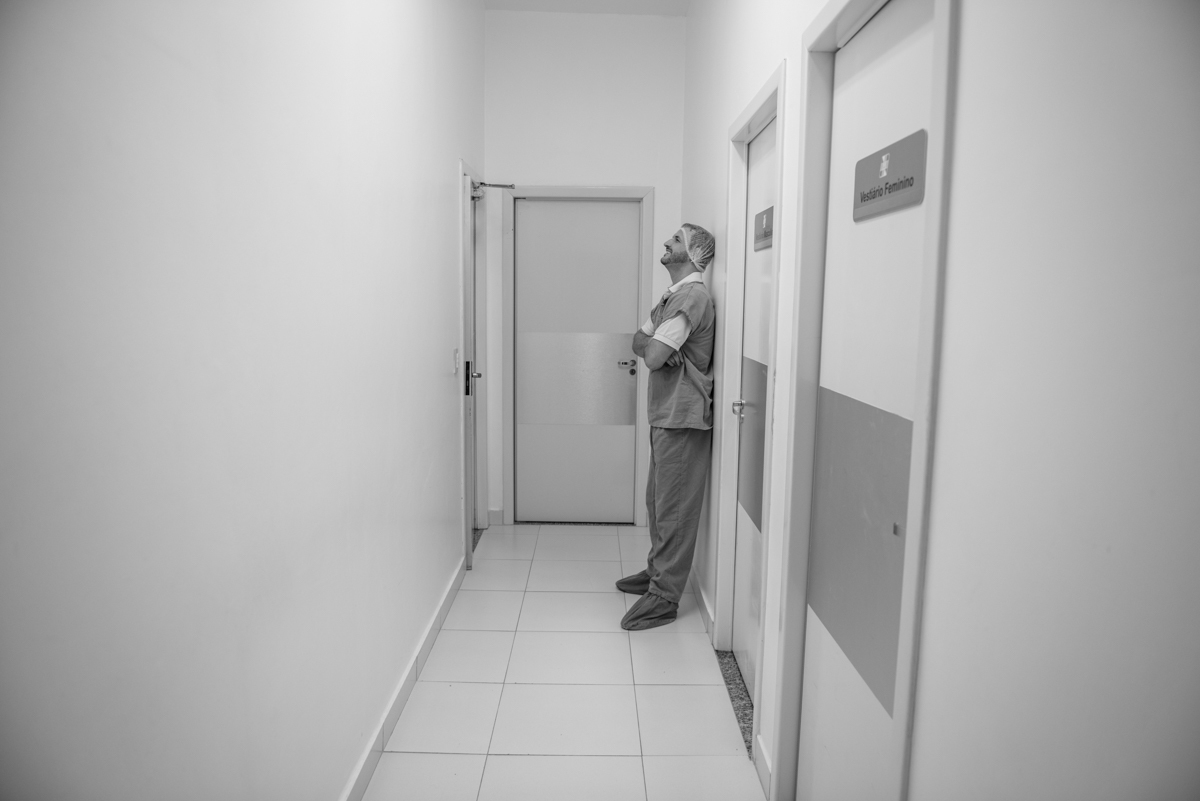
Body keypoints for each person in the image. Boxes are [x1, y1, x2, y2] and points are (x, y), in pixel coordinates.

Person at [618, 223, 717, 630]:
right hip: (665, 414)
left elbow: (654, 356)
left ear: (693, 254)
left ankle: (665, 597)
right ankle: (656, 573)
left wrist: (656, 347)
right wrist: (654, 345)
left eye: (675, 240)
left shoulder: (692, 297)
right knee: (658, 504)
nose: (666, 242)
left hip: (683, 416)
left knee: (674, 510)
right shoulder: (672, 297)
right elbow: (637, 343)